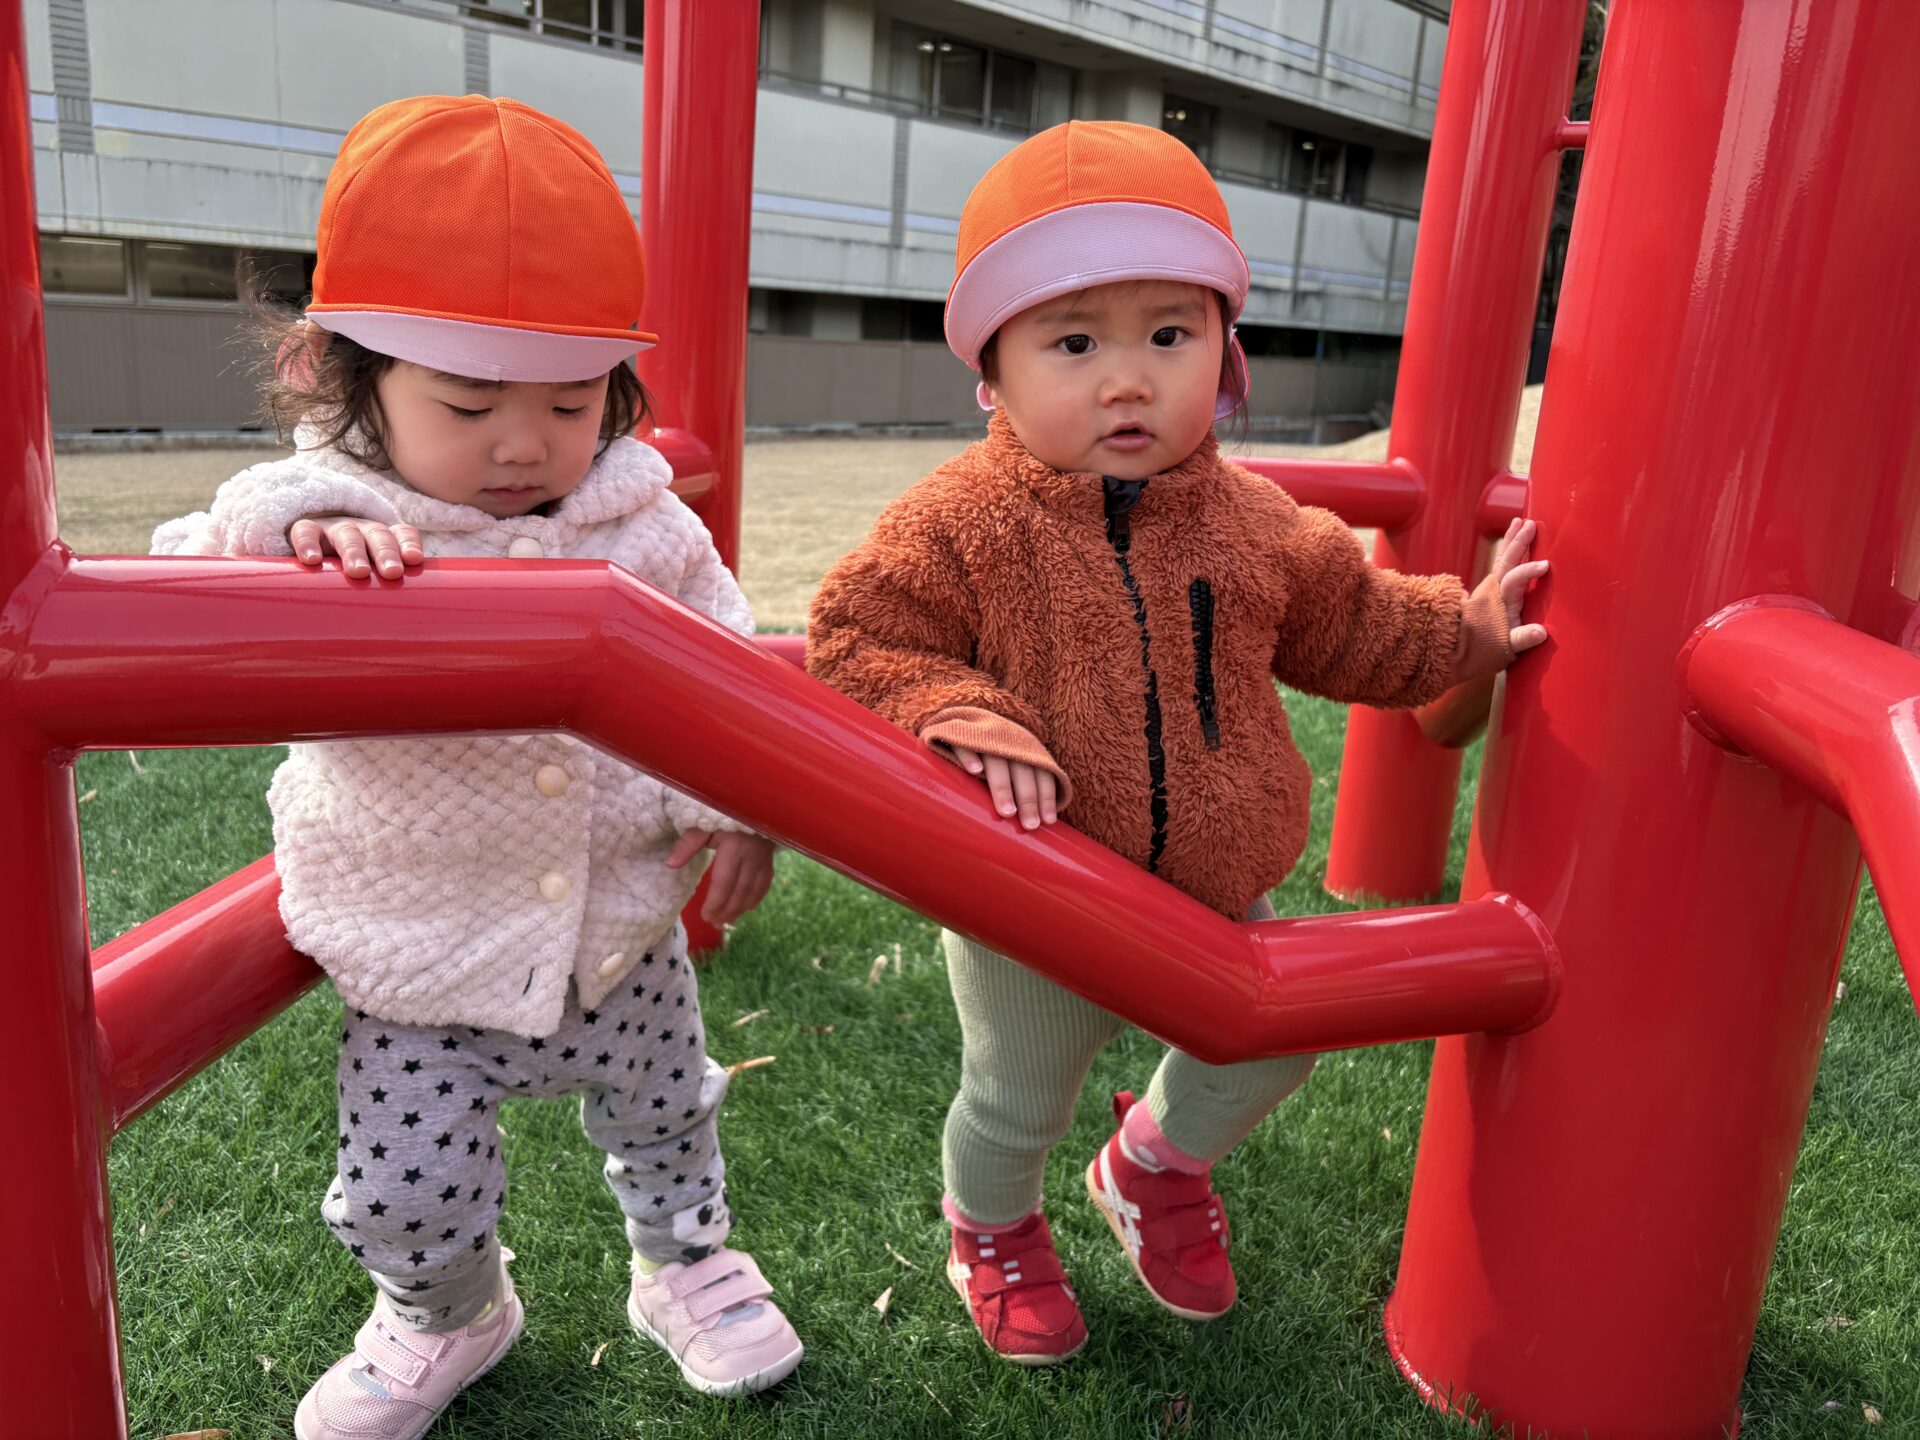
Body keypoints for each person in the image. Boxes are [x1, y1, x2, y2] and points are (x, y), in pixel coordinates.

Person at [807, 120, 1548, 1365]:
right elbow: (855, 636)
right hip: (1035, 894)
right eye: (1074, 343)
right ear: (991, 374)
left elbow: (1351, 625)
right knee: (1015, 1100)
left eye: (1169, 335)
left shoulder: (1253, 523)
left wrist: (1460, 634)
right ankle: (992, 1229)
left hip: (1213, 882)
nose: (1128, 381)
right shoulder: (960, 521)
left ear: (1226, 350)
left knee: (1271, 1041)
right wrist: (956, 709)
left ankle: (1151, 1161)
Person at [154, 95, 802, 1437]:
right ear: (336, 376)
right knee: (406, 1190)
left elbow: (727, 661)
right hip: (416, 948)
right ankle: (447, 1312)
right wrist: (296, 543)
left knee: (670, 1116)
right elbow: (182, 578)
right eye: (468, 402)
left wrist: (737, 803)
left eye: (570, 400)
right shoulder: (330, 510)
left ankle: (683, 1262)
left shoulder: (641, 518)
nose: (523, 443)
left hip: (620, 926)